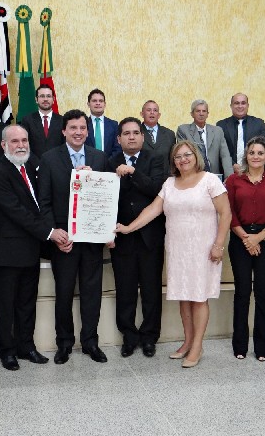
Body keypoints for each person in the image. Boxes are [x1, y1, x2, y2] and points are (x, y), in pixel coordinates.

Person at [116, 141, 230, 368]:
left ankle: (197, 346)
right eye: (178, 157)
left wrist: (219, 245)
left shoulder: (210, 180)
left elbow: (226, 213)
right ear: (174, 162)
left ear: (196, 156)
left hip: (203, 250)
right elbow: (152, 209)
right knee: (184, 297)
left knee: (199, 297)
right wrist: (128, 228)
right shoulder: (169, 183)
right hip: (178, 250)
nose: (183, 159)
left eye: (187, 155)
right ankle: (187, 342)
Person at [0, 125, 69, 370]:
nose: (21, 145)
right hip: (8, 251)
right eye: (15, 141)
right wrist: (50, 232)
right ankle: (7, 351)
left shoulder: (31, 167)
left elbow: (44, 199)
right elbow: (16, 211)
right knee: (6, 305)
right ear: (4, 145)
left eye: (24, 140)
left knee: (26, 302)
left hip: (31, 249)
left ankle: (26, 346)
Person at [38, 109, 111, 364]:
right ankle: (64, 343)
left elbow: (106, 199)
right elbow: (44, 202)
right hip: (64, 240)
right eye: (73, 128)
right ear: (64, 131)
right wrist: (55, 234)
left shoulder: (99, 158)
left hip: (92, 239)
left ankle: (91, 342)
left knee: (92, 293)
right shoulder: (49, 159)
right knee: (64, 293)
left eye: (82, 128)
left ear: (87, 131)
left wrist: (106, 230)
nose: (78, 132)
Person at [110, 117, 167, 358]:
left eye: (136, 132)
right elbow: (104, 199)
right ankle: (129, 336)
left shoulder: (156, 159)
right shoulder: (110, 161)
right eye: (127, 133)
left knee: (151, 290)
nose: (131, 137)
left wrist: (133, 172)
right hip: (120, 237)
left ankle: (149, 337)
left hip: (150, 237)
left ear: (143, 137)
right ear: (119, 138)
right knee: (125, 290)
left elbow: (157, 189)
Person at [226, 136, 265, 361]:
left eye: (260, 153)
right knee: (242, 292)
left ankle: (262, 347)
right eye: (252, 152)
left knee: (262, 292)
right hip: (239, 239)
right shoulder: (234, 180)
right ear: (246, 155)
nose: (256, 156)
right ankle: (240, 345)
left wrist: (259, 238)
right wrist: (246, 239)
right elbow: (229, 212)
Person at [176, 99, 233, 179]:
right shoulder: (183, 130)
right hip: (193, 177)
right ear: (192, 114)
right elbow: (184, 155)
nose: (201, 114)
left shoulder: (217, 131)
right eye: (198, 111)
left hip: (214, 176)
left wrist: (229, 177)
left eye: (204, 111)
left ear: (207, 114)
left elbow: (225, 156)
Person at [216, 93, 265, 174]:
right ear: (231, 106)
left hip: (254, 171)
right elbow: (219, 150)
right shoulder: (221, 125)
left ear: (247, 105)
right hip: (229, 172)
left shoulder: (259, 124)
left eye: (243, 103)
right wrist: (232, 165)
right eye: (236, 103)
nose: (240, 106)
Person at [20, 84, 65, 159]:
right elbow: (24, 145)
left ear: (53, 99)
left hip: (57, 163)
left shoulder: (62, 120)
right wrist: (36, 163)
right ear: (36, 99)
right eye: (42, 96)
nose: (45, 99)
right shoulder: (27, 120)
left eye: (48, 96)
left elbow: (65, 146)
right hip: (33, 164)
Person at [140, 100, 176, 177]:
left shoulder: (169, 134)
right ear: (142, 114)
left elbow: (173, 159)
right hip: (142, 178)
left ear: (159, 115)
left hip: (165, 179)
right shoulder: (136, 133)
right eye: (148, 110)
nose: (152, 112)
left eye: (155, 110)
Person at [85, 88, 122, 157]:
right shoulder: (84, 124)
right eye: (94, 101)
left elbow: (118, 148)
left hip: (109, 162)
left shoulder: (114, 125)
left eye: (101, 101)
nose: (98, 103)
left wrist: (108, 162)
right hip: (88, 163)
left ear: (104, 104)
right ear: (88, 104)